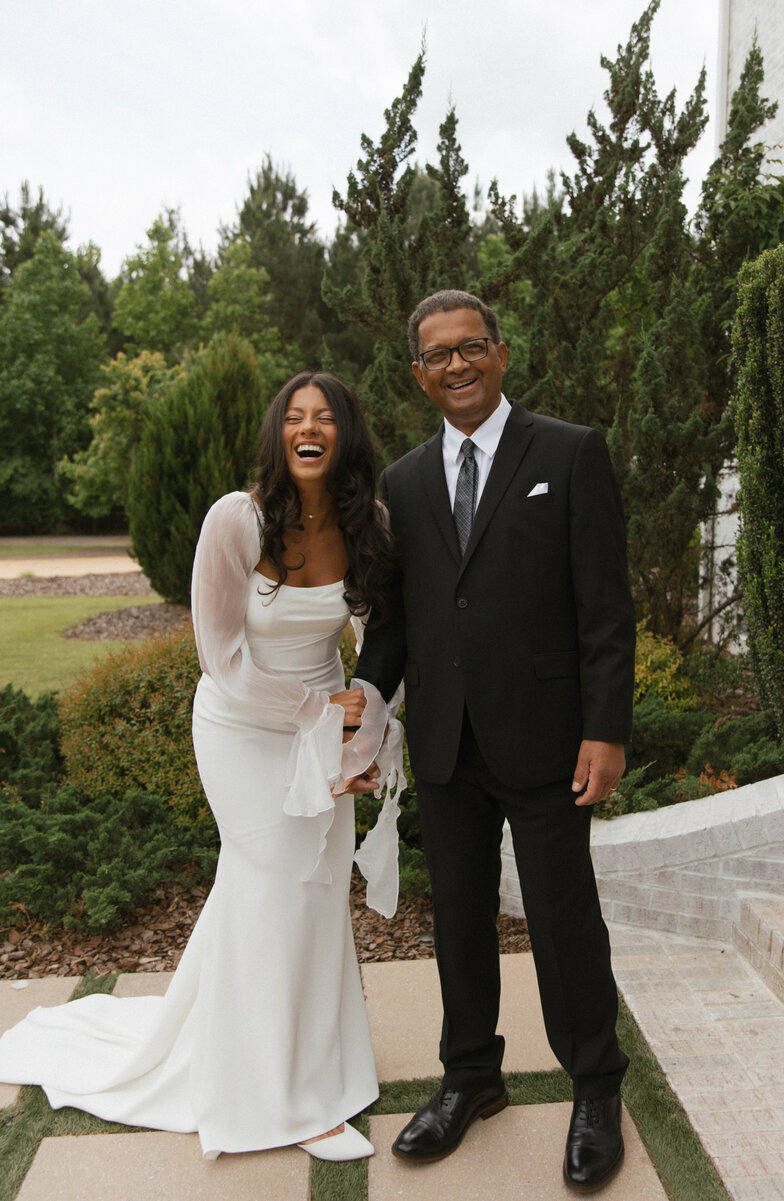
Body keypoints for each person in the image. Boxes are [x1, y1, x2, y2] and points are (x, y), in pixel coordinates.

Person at [0, 371, 405, 1163]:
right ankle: (275, 1094)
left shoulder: (370, 522)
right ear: (277, 433)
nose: (308, 427)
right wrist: (317, 718)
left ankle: (318, 1063)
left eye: (325, 417)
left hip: (325, 723)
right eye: (294, 416)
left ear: (347, 434)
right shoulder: (236, 519)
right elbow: (219, 658)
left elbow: (377, 640)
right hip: (243, 726)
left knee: (316, 894)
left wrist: (362, 742)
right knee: (268, 885)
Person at [354, 291, 636, 1192]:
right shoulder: (399, 483)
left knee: (563, 920)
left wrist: (606, 728)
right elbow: (395, 624)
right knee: (461, 921)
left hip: (552, 741)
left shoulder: (569, 452)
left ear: (501, 355)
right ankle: (471, 1075)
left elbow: (605, 609)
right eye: (439, 356)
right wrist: (361, 701)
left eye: (471, 347)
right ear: (419, 374)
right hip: (445, 743)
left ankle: (595, 1084)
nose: (458, 366)